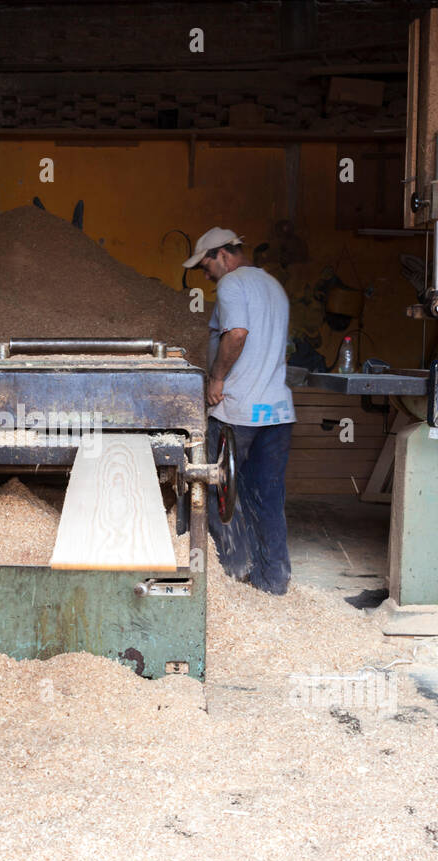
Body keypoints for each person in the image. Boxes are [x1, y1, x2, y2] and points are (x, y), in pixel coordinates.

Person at [184, 227, 294, 594]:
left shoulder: (232, 285)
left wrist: (216, 380)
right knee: (268, 497)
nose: (206, 275)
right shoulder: (274, 286)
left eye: (206, 265)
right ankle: (274, 581)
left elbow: (237, 334)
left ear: (223, 255)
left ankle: (233, 576)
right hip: (275, 413)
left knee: (220, 496)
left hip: (237, 412)